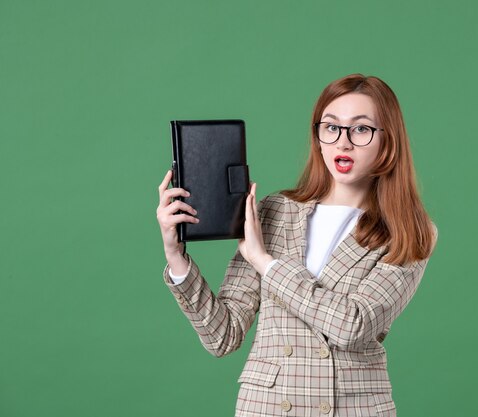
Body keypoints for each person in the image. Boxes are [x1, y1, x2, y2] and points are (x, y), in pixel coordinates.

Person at [156, 74, 438, 417]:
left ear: (388, 141)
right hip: (270, 407)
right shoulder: (275, 211)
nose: (343, 143)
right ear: (317, 137)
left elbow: (353, 325)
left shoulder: (410, 231)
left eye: (361, 129)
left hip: (352, 408)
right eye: (330, 127)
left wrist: (266, 263)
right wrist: (176, 255)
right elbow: (223, 335)